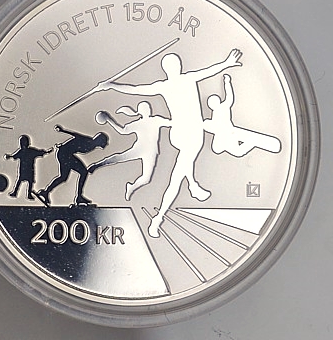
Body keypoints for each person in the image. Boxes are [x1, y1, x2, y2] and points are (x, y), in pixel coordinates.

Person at [97, 48, 243, 237]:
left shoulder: (163, 86)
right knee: (177, 177)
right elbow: (210, 71)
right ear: (177, 66)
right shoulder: (188, 78)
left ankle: (192, 185)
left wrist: (111, 85)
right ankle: (159, 217)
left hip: (181, 134)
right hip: (192, 133)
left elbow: (135, 90)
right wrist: (227, 63)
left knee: (183, 166)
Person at [89, 101, 171, 200]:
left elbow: (171, 122)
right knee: (119, 158)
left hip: (151, 152)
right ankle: (97, 165)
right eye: (145, 109)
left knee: (146, 179)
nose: (148, 110)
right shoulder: (138, 123)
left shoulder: (156, 120)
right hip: (139, 149)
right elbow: (123, 131)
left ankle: (131, 187)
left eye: (148, 108)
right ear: (140, 111)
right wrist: (109, 119)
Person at [204, 74, 281, 157]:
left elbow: (229, 97)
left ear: (218, 101)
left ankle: (253, 141)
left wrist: (227, 83)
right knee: (220, 149)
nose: (213, 104)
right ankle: (252, 141)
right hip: (225, 134)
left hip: (229, 132)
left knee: (236, 152)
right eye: (211, 103)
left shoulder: (224, 106)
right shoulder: (215, 115)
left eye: (214, 101)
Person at [37, 125, 108, 206]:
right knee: (83, 172)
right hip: (64, 154)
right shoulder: (89, 141)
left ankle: (46, 192)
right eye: (104, 142)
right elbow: (76, 135)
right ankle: (78, 197)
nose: (104, 145)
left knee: (64, 177)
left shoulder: (92, 145)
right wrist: (62, 130)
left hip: (65, 154)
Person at [4, 135, 52, 200]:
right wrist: (10, 156)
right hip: (25, 169)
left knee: (28, 181)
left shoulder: (29, 151)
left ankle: (27, 194)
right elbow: (14, 156)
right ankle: (16, 193)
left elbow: (39, 152)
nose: (23, 144)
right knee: (22, 181)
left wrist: (46, 152)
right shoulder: (23, 151)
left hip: (28, 170)